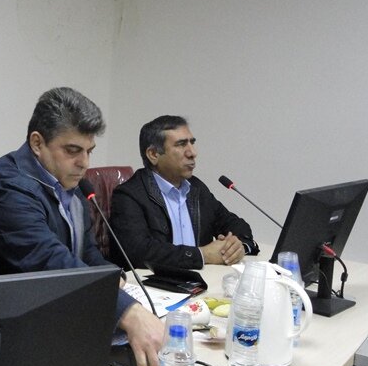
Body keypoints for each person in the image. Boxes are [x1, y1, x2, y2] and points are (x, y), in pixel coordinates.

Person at [0, 87, 164, 366]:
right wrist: (128, 313)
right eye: (72, 150)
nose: (85, 163)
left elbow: (87, 251)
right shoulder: (7, 188)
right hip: (4, 336)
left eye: (89, 151)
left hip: (55, 317)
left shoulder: (67, 182)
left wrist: (112, 276)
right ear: (37, 143)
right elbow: (51, 263)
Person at [109, 115, 258, 271]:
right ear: (153, 154)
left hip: (202, 278)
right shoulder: (129, 195)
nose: (192, 152)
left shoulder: (196, 188)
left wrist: (237, 246)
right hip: (156, 282)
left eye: (192, 143)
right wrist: (202, 255)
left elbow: (235, 224)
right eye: (181, 145)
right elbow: (139, 252)